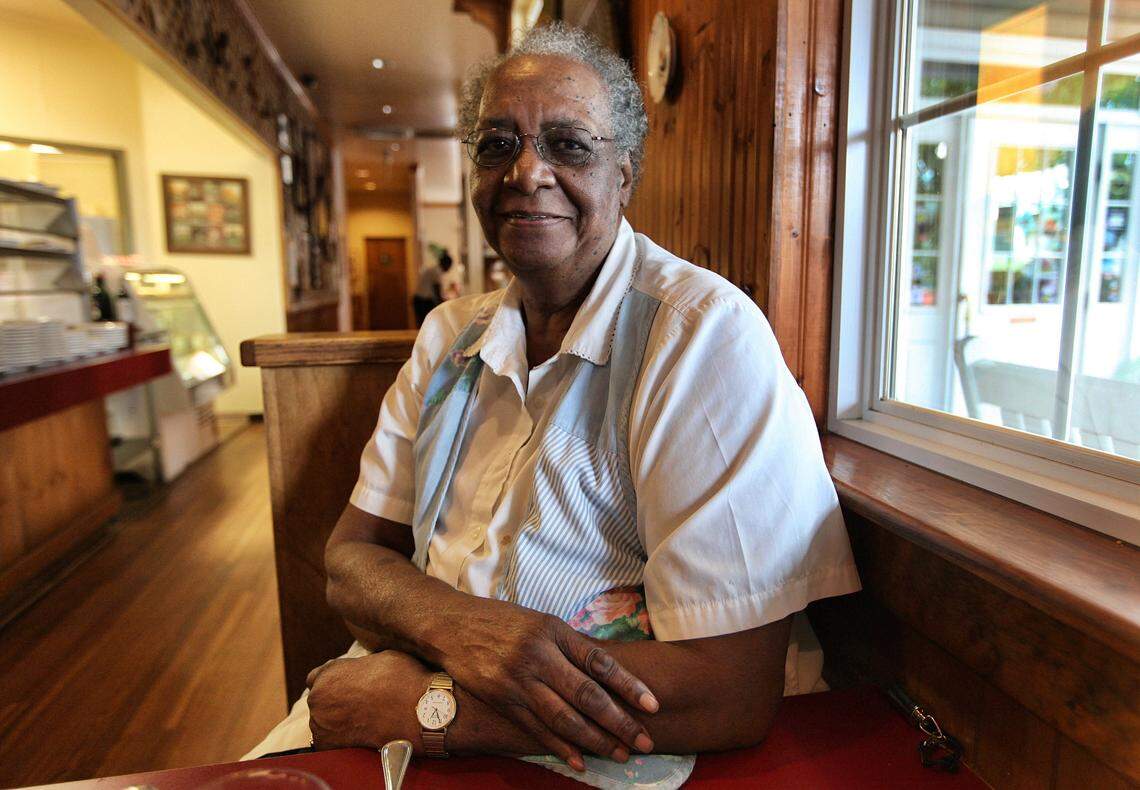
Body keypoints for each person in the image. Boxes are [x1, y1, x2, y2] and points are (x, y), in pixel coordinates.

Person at [246, 23, 859, 783]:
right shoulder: (448, 336)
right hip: (401, 681)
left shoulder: (701, 338)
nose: (526, 172)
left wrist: (430, 708)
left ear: (624, 174)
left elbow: (729, 693)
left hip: (610, 755)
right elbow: (348, 559)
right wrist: (464, 630)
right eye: (497, 144)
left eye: (569, 145)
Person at [411, 249, 454, 326]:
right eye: (449, 266)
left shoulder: (434, 270)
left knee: (424, 323)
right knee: (426, 323)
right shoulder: (436, 272)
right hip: (422, 300)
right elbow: (436, 291)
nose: (449, 269)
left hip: (421, 299)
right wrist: (443, 305)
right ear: (445, 264)